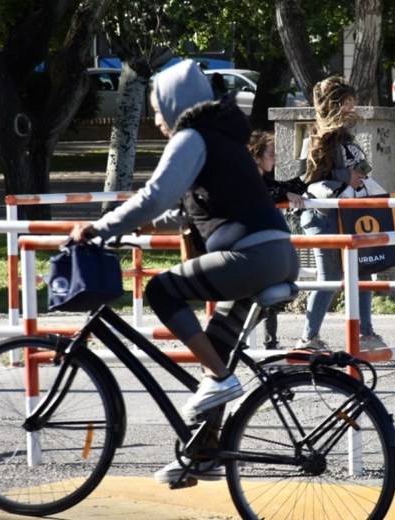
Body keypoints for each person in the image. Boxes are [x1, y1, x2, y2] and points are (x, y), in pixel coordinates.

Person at [69, 59, 299, 483]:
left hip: (250, 258)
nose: (156, 120)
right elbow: (198, 206)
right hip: (276, 253)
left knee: (162, 291)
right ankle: (205, 453)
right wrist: (149, 224)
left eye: (157, 109)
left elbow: (154, 194)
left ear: (177, 104)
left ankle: (221, 379)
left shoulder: (191, 136)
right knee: (215, 348)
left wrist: (100, 227)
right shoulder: (222, 138)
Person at [297, 76, 388, 352]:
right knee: (330, 277)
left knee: (363, 270)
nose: (352, 107)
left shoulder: (346, 136)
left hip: (349, 214)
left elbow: (357, 169)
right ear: (333, 104)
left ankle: (367, 334)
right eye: (346, 102)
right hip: (323, 215)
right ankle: (308, 338)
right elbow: (306, 177)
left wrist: (359, 174)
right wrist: (344, 175)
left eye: (352, 102)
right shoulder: (315, 135)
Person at [247, 130, 306, 349]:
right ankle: (239, 338)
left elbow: (285, 187)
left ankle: (267, 342)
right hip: (250, 248)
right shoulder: (247, 180)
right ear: (256, 157)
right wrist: (284, 193)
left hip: (262, 247)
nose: (275, 158)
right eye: (271, 154)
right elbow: (263, 194)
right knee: (273, 294)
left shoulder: (263, 179)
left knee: (273, 293)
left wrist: (307, 177)